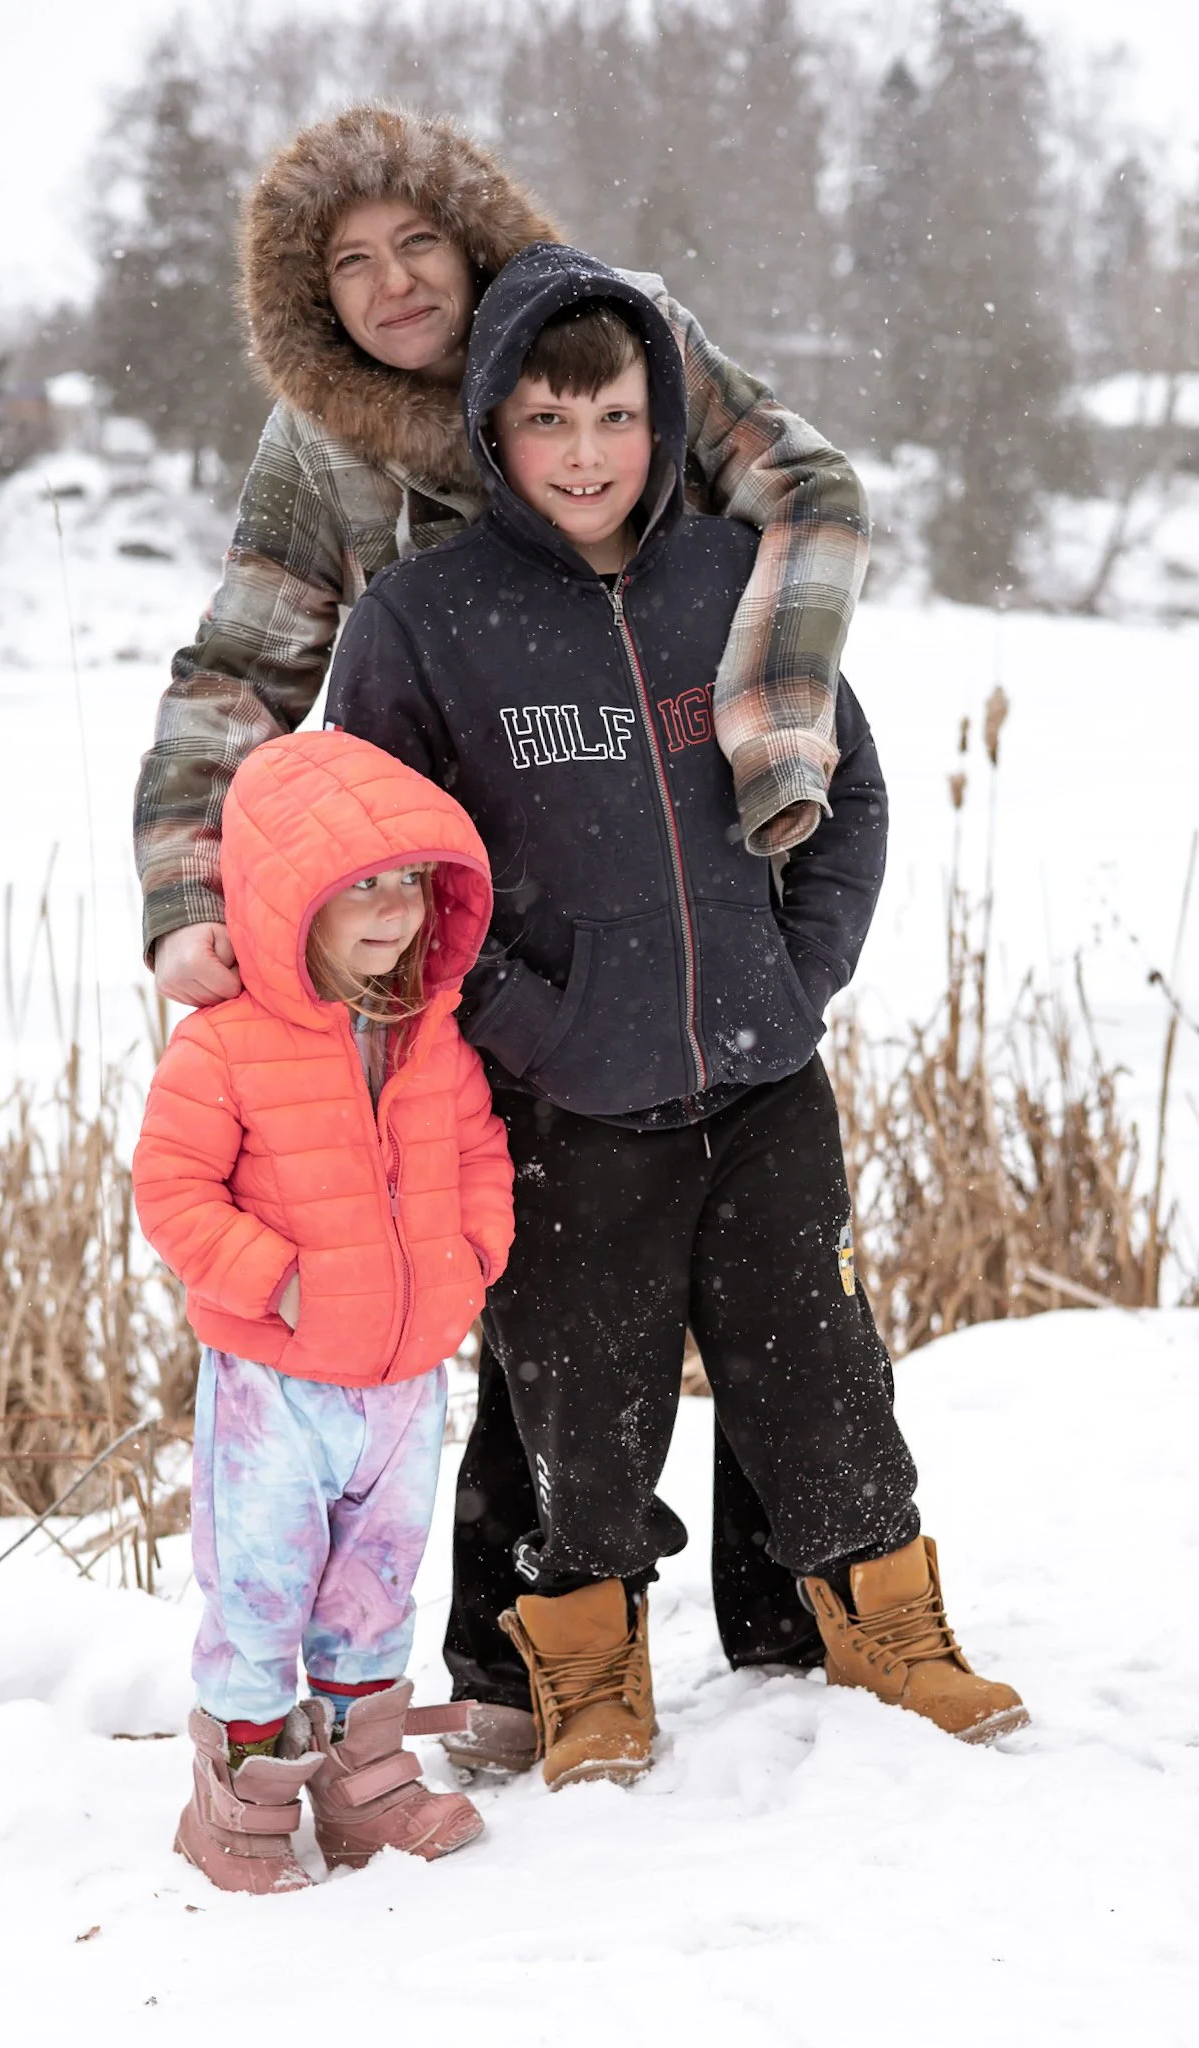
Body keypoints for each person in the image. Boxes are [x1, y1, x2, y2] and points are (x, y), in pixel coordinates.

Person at [133, 102, 871, 1712]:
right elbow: (241, 670)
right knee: (531, 1297)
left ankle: (788, 1622)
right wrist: (195, 890)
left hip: (678, 891)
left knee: (764, 1287)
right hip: (488, 947)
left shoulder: (630, 335)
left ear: (474, 234)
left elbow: (801, 490)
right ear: (308, 300)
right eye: (349, 264)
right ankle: (511, 1651)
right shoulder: (324, 448)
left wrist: (775, 743)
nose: (395, 283)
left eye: (419, 242)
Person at [325, 243, 1028, 1789]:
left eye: (619, 419)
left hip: (764, 1073)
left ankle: (884, 1624)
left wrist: (802, 975)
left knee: (820, 1364)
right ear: (493, 432)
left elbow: (846, 789)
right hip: (565, 1107)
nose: (586, 457)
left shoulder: (730, 576)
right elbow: (378, 874)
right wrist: (533, 1026)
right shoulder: (423, 623)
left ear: (664, 422)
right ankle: (585, 1670)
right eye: (549, 423)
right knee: (580, 1403)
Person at [132, 728, 515, 1887]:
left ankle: (363, 1781)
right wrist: (278, 1277)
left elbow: (479, 1151)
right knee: (261, 1581)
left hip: (402, 1382)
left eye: (408, 880)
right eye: (360, 887)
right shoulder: (226, 1045)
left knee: (376, 1578)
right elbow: (171, 1189)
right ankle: (239, 1793)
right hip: (276, 1384)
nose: (393, 910)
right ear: (285, 897)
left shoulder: (430, 1038)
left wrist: (469, 1258)